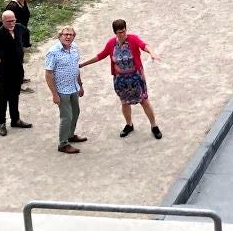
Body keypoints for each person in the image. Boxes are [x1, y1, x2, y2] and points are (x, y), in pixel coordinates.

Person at [82, 18, 162, 138]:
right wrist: (83, 64)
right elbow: (100, 56)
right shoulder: (111, 44)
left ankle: (154, 126)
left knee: (144, 101)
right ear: (115, 32)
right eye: (119, 32)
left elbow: (144, 45)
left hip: (136, 77)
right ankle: (129, 125)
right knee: (124, 103)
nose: (122, 34)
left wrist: (152, 53)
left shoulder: (133, 39)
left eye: (124, 31)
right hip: (121, 80)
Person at [44, 24, 87, 155]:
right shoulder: (53, 52)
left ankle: (70, 135)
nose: (68, 36)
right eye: (65, 34)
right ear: (60, 36)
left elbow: (76, 68)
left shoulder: (74, 48)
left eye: (71, 34)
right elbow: (48, 74)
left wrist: (80, 85)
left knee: (76, 112)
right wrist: (54, 94)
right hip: (61, 90)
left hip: (73, 87)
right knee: (66, 116)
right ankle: (63, 143)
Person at [4, 0, 33, 84]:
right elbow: (4, 22)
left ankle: (19, 78)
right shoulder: (12, 6)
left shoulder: (23, 3)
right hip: (12, 36)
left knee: (19, 57)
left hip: (21, 34)